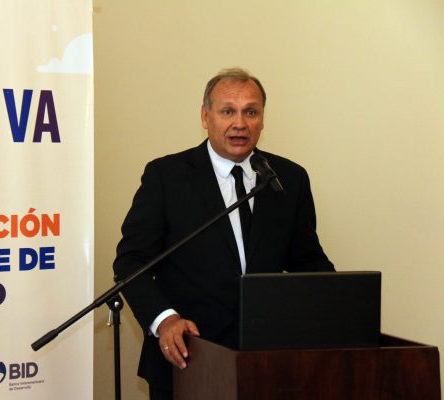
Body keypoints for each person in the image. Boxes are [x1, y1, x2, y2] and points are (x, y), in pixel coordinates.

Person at [113, 68, 334, 400]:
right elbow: (131, 262)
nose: (240, 123)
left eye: (251, 112)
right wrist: (165, 320)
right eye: (228, 111)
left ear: (262, 119)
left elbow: (307, 261)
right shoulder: (167, 176)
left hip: (266, 362)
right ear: (206, 117)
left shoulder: (289, 178)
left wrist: (339, 304)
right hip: (188, 358)